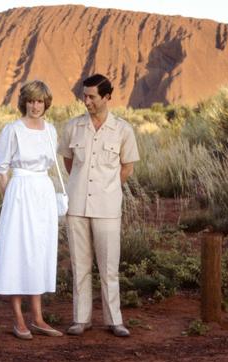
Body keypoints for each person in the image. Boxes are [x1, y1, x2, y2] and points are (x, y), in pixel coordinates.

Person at [57, 74, 140, 337]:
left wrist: (107, 186)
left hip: (107, 207)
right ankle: (81, 319)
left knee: (108, 266)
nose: (87, 101)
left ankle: (114, 320)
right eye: (84, 96)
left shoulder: (123, 130)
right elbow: (68, 162)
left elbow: (127, 166)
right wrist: (81, 184)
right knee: (80, 265)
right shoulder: (73, 127)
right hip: (77, 205)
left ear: (106, 97)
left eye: (92, 96)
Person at [0, 80, 63, 340]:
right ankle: (19, 318)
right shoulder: (13, 129)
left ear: (46, 103)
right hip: (20, 191)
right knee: (17, 249)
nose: (36, 106)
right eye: (32, 101)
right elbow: (2, 168)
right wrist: (10, 197)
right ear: (24, 102)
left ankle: (38, 318)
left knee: (39, 250)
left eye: (40, 101)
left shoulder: (51, 130)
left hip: (43, 190)